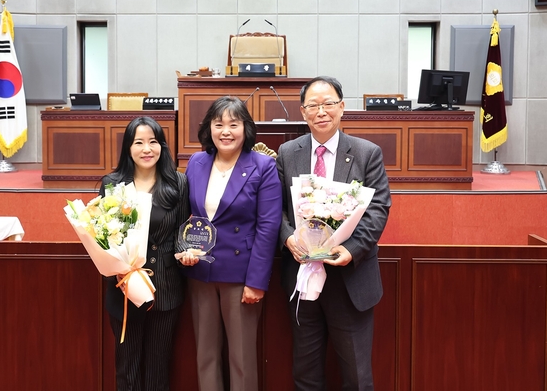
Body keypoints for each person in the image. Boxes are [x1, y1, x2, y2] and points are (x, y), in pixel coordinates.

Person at [275, 76, 392, 391]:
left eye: (328, 104)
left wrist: (351, 249)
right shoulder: (287, 153)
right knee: (306, 374)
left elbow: (378, 209)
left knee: (356, 376)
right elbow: (277, 209)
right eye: (313, 105)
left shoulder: (367, 153)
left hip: (348, 282)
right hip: (302, 278)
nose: (320, 111)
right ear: (303, 112)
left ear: (342, 108)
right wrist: (288, 237)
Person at [179, 96, 282, 391]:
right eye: (218, 123)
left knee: (242, 359)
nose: (226, 131)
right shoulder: (198, 162)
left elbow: (268, 227)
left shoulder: (262, 166)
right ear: (209, 128)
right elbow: (189, 217)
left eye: (233, 124)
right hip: (201, 273)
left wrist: (257, 281)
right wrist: (184, 249)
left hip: (241, 276)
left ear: (245, 128)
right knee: (205, 356)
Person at [99, 116, 190, 391]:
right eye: (139, 142)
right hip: (124, 289)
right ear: (128, 147)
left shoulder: (178, 183)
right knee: (126, 369)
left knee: (158, 370)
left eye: (153, 141)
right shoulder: (112, 184)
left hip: (165, 287)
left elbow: (182, 233)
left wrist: (187, 253)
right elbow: (103, 237)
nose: (146, 149)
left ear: (162, 146)